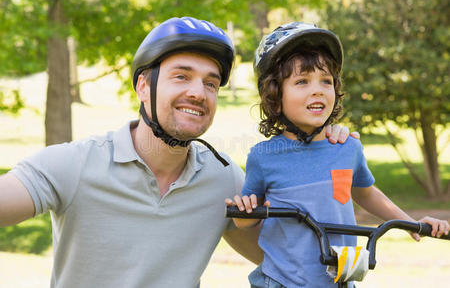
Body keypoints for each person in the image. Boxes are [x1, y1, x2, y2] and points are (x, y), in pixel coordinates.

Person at [0, 17, 354, 288]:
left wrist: (322, 144)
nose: (198, 93)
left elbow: (288, 257)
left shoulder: (223, 179)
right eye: (181, 76)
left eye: (210, 83)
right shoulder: (74, 164)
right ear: (143, 85)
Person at [225, 22, 450, 288]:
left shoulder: (347, 148)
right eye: (301, 81)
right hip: (280, 282)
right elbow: (244, 222)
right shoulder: (263, 157)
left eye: (326, 81)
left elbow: (365, 192)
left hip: (339, 280)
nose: (317, 89)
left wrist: (412, 224)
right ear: (275, 96)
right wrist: (243, 212)